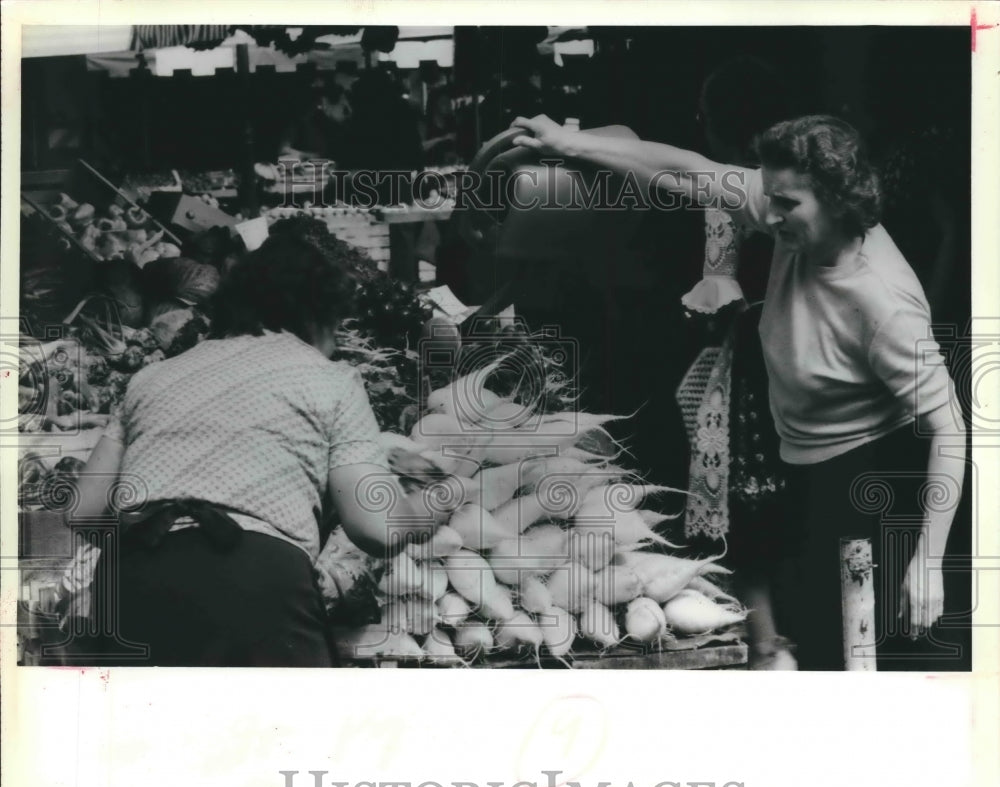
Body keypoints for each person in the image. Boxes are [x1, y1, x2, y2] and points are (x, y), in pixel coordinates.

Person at [511, 112, 966, 670]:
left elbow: (949, 426)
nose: (768, 215)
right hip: (803, 462)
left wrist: (929, 560)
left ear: (839, 200)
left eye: (786, 204)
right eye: (768, 196)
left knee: (863, 653)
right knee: (812, 635)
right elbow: (688, 171)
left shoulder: (884, 303)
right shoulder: (790, 207)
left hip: (873, 477)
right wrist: (568, 142)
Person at [73, 235, 459, 667]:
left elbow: (85, 511)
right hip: (254, 579)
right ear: (321, 318)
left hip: (132, 582)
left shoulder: (151, 377)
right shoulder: (331, 380)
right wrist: (430, 505)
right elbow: (376, 528)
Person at [675, 56, 796, 670]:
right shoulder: (805, 181)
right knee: (792, 493)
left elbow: (718, 294)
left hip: (753, 354)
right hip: (809, 356)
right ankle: (798, 636)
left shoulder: (726, 188)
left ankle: (765, 642)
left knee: (745, 496)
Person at [279, 80, 354, 163]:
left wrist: (304, 155)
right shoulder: (303, 124)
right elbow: (284, 150)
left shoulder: (344, 129)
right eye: (344, 108)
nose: (350, 112)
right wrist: (301, 155)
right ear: (325, 102)